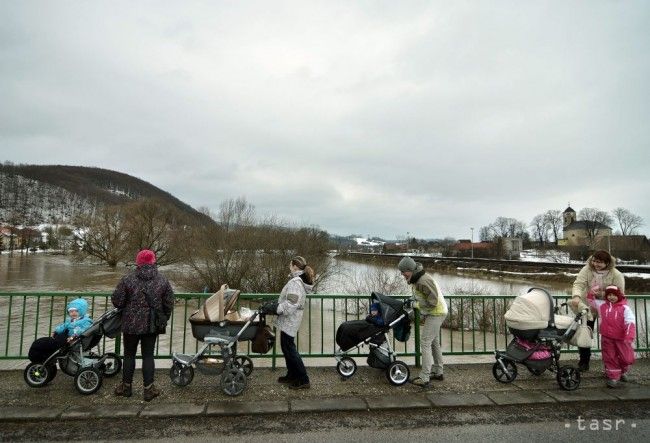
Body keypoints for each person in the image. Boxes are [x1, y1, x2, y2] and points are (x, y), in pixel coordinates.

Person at [111, 249, 174, 401]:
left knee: (129, 355)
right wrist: (163, 318)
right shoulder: (162, 280)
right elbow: (169, 303)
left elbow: (117, 301)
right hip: (151, 325)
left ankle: (126, 388)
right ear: (154, 261)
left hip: (130, 325)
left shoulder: (128, 279)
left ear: (138, 262)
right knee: (148, 355)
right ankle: (148, 390)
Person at [570, 250, 625, 372]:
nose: (595, 264)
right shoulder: (587, 269)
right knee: (584, 332)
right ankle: (584, 361)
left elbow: (620, 293)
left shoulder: (616, 274)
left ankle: (612, 365)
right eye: (594, 261)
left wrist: (602, 294)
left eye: (599, 262)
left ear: (607, 263)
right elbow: (578, 284)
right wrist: (576, 296)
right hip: (588, 305)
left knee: (610, 336)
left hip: (608, 307)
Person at [398, 256, 448, 387]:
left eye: (403, 272)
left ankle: (424, 377)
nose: (402, 274)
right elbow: (420, 296)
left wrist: (415, 305)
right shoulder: (416, 279)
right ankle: (438, 371)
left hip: (436, 313)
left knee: (425, 342)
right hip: (436, 312)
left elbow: (432, 302)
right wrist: (411, 300)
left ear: (410, 269)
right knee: (434, 342)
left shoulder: (423, 280)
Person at [270, 256, 314, 389]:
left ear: (295, 266)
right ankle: (292, 375)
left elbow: (290, 304)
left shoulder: (296, 282)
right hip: (289, 320)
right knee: (286, 348)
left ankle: (303, 379)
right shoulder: (298, 280)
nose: (289, 266)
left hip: (290, 320)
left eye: (290, 264)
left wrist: (275, 308)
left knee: (290, 349)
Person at [586, 285, 635, 388]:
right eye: (609, 295)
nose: (611, 297)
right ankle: (613, 377)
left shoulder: (625, 308)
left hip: (622, 339)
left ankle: (623, 370)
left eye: (614, 295)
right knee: (610, 357)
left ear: (619, 296)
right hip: (607, 337)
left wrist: (629, 336)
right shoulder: (603, 305)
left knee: (626, 358)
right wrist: (592, 292)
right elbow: (591, 301)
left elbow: (630, 322)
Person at [28, 298, 94, 363]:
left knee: (46, 344)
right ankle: (42, 356)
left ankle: (43, 356)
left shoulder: (85, 321)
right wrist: (57, 331)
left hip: (73, 341)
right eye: (71, 311)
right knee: (41, 342)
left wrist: (72, 337)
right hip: (64, 338)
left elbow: (82, 331)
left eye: (76, 311)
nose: (73, 313)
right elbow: (63, 327)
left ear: (81, 311)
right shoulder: (70, 320)